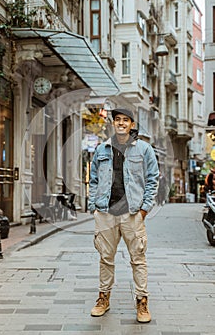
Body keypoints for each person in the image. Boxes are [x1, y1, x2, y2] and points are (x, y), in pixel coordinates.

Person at [88, 108, 159, 323]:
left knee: (138, 258)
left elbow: (153, 178)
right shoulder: (101, 149)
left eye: (125, 120)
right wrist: (94, 205)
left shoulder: (144, 149)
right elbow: (93, 181)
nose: (121, 123)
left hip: (132, 213)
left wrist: (145, 208)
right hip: (106, 212)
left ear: (131, 124)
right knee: (105, 258)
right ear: (113, 123)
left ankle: (142, 301)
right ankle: (103, 298)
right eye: (117, 120)